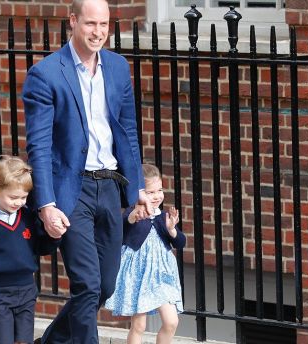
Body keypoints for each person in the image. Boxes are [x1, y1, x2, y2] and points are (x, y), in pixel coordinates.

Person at [22, 0, 151, 342]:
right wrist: (46, 205)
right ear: (73, 21)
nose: (98, 32)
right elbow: (40, 146)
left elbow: (127, 132)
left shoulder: (118, 67)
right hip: (71, 192)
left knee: (104, 286)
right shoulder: (46, 73)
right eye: (91, 24)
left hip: (109, 187)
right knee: (87, 284)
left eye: (104, 25)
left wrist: (136, 185)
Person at [0, 155, 62, 344]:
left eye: (24, 197)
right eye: (13, 197)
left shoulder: (28, 217)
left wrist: (55, 236)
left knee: (24, 341)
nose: (19, 202)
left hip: (27, 290)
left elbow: (41, 248)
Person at [105, 164, 185, 344]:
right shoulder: (132, 214)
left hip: (162, 275)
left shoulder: (164, 217)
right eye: (150, 192)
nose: (157, 196)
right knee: (139, 326)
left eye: (160, 190)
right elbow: (122, 232)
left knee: (171, 322)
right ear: (139, 192)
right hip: (138, 274)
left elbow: (180, 243)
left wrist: (172, 230)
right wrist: (133, 216)